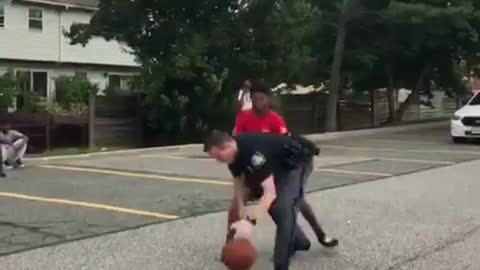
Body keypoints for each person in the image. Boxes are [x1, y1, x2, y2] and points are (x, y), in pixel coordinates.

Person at [204, 131, 335, 270]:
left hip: (298, 161)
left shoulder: (254, 155)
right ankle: (299, 241)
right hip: (278, 165)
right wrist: (241, 211)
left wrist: (250, 221)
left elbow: (269, 193)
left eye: (218, 156)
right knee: (277, 202)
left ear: (228, 146)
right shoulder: (233, 156)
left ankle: (281, 266)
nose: (218, 161)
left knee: (285, 205)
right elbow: (239, 183)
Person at [231, 80, 338, 248]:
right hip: (254, 170)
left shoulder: (275, 120)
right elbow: (236, 143)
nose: (258, 102)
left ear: (268, 100)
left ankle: (321, 235)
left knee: (298, 201)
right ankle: (231, 242)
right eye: (254, 98)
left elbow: (286, 146)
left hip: (275, 171)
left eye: (261, 98)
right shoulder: (244, 118)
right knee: (237, 202)